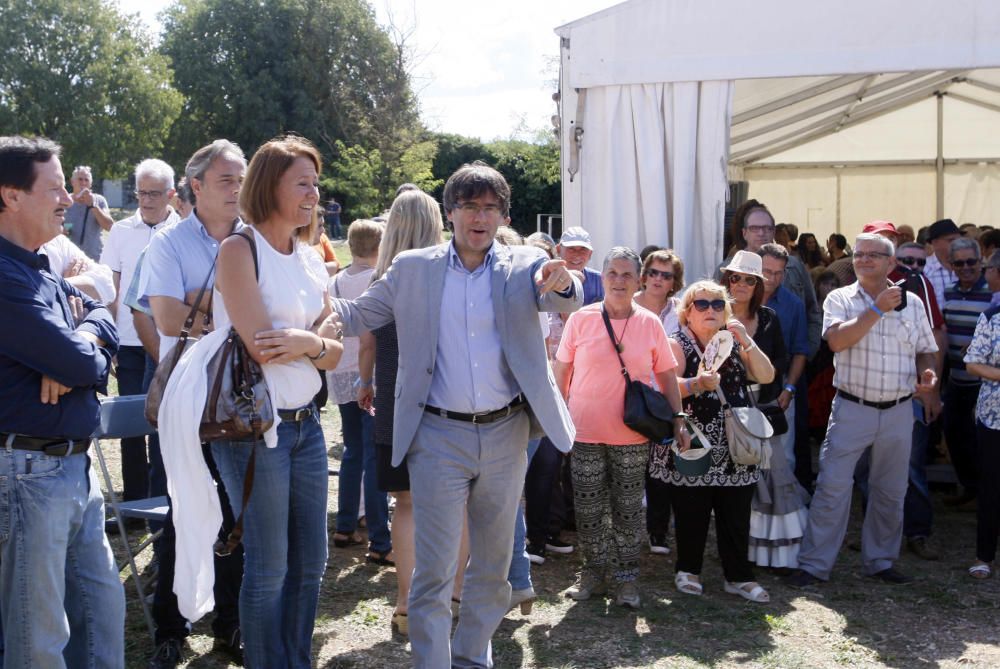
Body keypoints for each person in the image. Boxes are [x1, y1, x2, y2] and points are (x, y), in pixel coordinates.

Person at [331, 161, 582, 668]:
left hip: (507, 432)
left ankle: (471, 658)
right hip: (436, 436)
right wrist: (314, 309)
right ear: (450, 213)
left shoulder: (525, 264)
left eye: (490, 208)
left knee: (492, 569)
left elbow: (567, 299)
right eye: (469, 205)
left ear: (501, 216)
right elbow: (359, 314)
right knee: (433, 571)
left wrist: (562, 279)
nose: (480, 217)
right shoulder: (413, 267)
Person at [205, 135, 345, 668]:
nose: (314, 194)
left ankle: (296, 661)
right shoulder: (239, 250)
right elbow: (262, 347)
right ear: (270, 186)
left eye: (316, 182)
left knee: (311, 562)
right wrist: (312, 342)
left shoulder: (311, 258)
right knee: (269, 568)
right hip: (256, 432)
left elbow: (332, 352)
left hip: (308, 426)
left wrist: (308, 343)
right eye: (302, 183)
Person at [0, 135, 124, 667]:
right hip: (30, 473)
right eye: (54, 188)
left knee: (102, 617)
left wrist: (87, 334)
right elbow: (84, 367)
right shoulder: (6, 277)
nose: (69, 199)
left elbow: (100, 316)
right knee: (39, 640)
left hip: (73, 468)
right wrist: (79, 356)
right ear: (10, 196)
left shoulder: (40, 267)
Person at [142, 140, 248, 667]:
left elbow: (264, 313)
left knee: (235, 517)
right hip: (187, 400)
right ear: (197, 186)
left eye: (242, 179)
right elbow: (165, 318)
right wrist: (230, 308)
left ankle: (230, 627)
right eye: (227, 180)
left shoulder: (255, 240)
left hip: (241, 401)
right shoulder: (168, 243)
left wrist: (204, 304)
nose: (238, 189)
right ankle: (171, 626)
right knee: (182, 511)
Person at [785, 233, 938, 588]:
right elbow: (836, 341)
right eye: (859, 254)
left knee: (890, 491)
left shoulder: (913, 303)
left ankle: (881, 561)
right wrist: (876, 309)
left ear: (891, 263)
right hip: (852, 408)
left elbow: (926, 348)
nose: (864, 259)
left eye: (874, 254)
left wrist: (929, 372)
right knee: (832, 488)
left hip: (899, 410)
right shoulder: (840, 298)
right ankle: (814, 565)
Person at [354, 189, 468, 637]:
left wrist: (364, 383)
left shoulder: (381, 279)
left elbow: (367, 340)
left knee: (406, 504)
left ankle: (405, 602)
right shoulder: (449, 276)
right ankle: (453, 597)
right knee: (455, 505)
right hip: (445, 402)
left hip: (395, 403)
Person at [554, 246, 687, 609]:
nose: (618, 281)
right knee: (588, 509)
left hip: (632, 435)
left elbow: (666, 375)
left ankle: (627, 581)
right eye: (612, 273)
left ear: (638, 280)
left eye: (627, 274)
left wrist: (679, 418)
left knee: (628, 511)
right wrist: (557, 418)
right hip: (584, 433)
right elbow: (562, 371)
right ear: (604, 276)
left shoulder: (650, 323)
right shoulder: (581, 320)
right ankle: (593, 575)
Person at [651, 280, 775, 602]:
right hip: (693, 439)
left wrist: (746, 340)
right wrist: (695, 384)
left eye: (718, 304)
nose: (710, 310)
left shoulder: (734, 342)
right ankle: (688, 569)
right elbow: (665, 386)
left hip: (735, 445)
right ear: (687, 312)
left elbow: (766, 375)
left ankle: (739, 576)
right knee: (692, 510)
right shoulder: (677, 342)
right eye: (702, 304)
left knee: (736, 512)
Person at [101, 158, 180, 509]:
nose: (146, 200)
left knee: (163, 426)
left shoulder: (183, 230)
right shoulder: (120, 231)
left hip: (170, 346)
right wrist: (111, 338)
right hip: (128, 344)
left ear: (171, 195)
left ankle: (161, 500)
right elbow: (110, 285)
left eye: (154, 193)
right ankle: (134, 500)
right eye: (141, 192)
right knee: (132, 425)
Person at [328, 219, 391, 564]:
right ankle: (381, 538)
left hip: (340, 370)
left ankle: (345, 524)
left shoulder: (334, 280)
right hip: (370, 371)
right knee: (371, 454)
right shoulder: (378, 279)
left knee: (352, 450)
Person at [634, 248, 685, 555]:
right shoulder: (627, 305)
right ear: (644, 274)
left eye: (666, 275)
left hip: (666, 396)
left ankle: (658, 532)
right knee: (628, 466)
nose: (658, 279)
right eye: (653, 272)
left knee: (661, 468)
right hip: (631, 396)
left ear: (673, 281)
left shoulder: (681, 312)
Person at [941, 236, 993, 508]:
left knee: (983, 442)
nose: (966, 267)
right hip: (956, 381)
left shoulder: (993, 293)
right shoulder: (948, 293)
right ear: (951, 265)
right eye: (959, 263)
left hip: (986, 384)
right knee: (954, 434)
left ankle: (985, 497)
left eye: (971, 261)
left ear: (980, 261)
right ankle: (971, 490)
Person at [963, 302, 1000, 579]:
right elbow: (972, 363)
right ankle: (984, 556)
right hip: (994, 416)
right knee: (991, 487)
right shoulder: (991, 317)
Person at [63, 164, 114, 261]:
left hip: (95, 258)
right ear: (72, 182)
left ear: (90, 184)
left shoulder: (99, 201)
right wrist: (60, 231)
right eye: (80, 179)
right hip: (69, 258)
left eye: (86, 180)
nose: (83, 183)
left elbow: (110, 226)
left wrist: (93, 205)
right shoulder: (65, 201)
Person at [557, 225, 604, 304]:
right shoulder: (548, 280)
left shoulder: (600, 281)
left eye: (583, 249)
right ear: (558, 250)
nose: (577, 255)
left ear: (590, 254)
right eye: (571, 248)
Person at [924, 218, 961, 310]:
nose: (957, 244)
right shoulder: (925, 269)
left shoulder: (966, 266)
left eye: (959, 240)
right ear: (935, 243)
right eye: (951, 240)